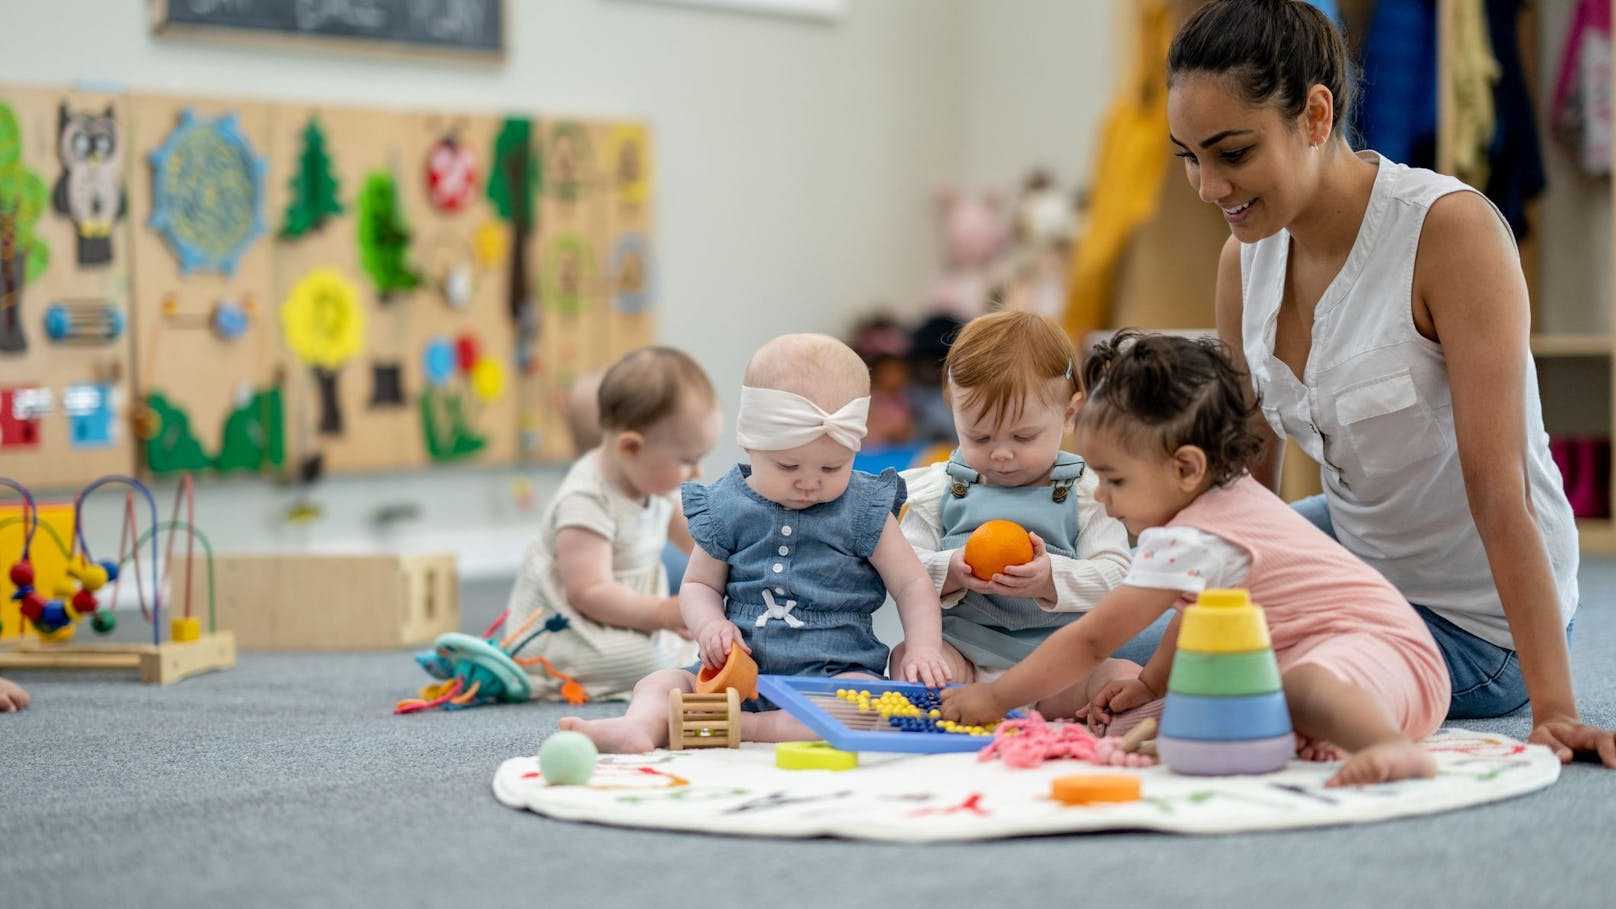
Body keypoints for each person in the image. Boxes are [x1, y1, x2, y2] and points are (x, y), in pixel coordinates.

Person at [1169, 0, 1614, 766]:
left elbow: (1498, 487)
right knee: (1143, 603)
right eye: (1188, 155)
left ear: (1315, 115)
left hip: (1479, 622)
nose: (1208, 186)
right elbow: (1249, 489)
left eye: (1232, 153)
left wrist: (1556, 710)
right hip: (1358, 544)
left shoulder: (1450, 234)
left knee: (1269, 685)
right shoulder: (1244, 260)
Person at [942, 332, 1452, 785]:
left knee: (1303, 686)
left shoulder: (1189, 537)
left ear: (1186, 468)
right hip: (1372, 673)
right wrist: (1149, 682)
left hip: (1385, 660)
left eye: (1115, 480)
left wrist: (993, 698)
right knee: (1179, 717)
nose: (1102, 498)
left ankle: (1388, 748)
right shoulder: (1225, 504)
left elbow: (1093, 638)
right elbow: (1194, 614)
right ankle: (1320, 730)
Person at [561, 333, 951, 752]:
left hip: (833, 674)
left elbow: (911, 584)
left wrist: (924, 648)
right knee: (660, 683)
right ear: (750, 441)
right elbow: (699, 586)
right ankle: (638, 727)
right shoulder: (727, 504)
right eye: (788, 465)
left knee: (864, 707)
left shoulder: (863, 507)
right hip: (737, 671)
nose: (808, 481)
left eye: (832, 466)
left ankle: (746, 728)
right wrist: (711, 625)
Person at [898, 310, 1154, 721]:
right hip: (964, 661)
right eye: (979, 436)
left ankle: (1107, 718)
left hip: (1059, 670)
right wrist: (951, 569)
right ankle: (957, 711)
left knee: (1124, 675)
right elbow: (902, 570)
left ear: (1070, 414)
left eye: (1023, 437)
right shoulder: (939, 489)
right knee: (908, 660)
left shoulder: (1088, 492)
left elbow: (1116, 578)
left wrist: (1051, 576)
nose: (1001, 453)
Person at [502, 347, 717, 700]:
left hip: (634, 619)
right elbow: (588, 593)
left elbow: (702, 541)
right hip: (574, 629)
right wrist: (662, 611)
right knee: (656, 661)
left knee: (691, 650)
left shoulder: (655, 483)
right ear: (631, 447)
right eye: (687, 460)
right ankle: (543, 669)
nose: (698, 472)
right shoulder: (586, 499)